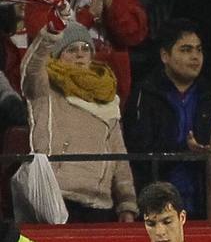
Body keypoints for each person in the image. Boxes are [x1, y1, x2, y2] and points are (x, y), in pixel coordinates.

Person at [123, 19, 211, 219]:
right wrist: (189, 152)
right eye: (185, 50)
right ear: (165, 56)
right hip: (159, 208)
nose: (195, 57)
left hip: (208, 206)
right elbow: (137, 156)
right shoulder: (144, 94)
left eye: (198, 50)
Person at [20, 20, 135, 222]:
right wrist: (51, 32)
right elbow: (31, 66)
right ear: (57, 55)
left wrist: (127, 203)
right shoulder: (45, 88)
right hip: (56, 199)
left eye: (85, 48)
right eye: (71, 49)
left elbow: (119, 154)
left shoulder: (107, 96)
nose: (80, 54)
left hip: (100, 204)